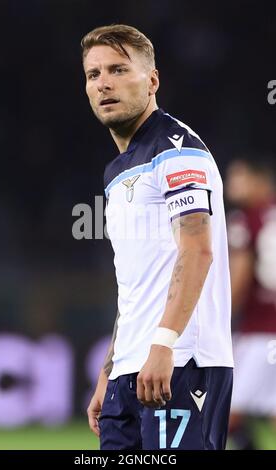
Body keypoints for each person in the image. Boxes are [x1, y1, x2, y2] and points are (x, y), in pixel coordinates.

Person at [81, 24, 233, 450]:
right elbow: (135, 282)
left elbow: (198, 250)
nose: (104, 83)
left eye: (118, 69)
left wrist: (163, 346)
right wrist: (111, 369)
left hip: (182, 362)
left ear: (152, 81)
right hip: (132, 369)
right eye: (94, 75)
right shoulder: (117, 172)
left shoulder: (178, 150)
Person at [225, 157, 276, 449]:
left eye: (239, 177)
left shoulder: (245, 221)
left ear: (259, 180)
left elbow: (240, 278)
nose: (232, 184)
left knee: (227, 411)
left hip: (259, 333)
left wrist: (219, 318)